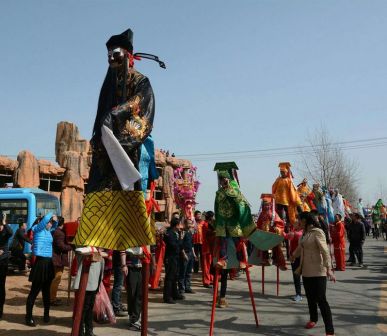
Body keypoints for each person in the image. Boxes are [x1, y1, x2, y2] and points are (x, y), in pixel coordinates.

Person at [292, 211, 335, 336]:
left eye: (299, 220)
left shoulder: (317, 232)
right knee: (310, 298)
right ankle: (313, 319)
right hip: (306, 270)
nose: (297, 222)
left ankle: (330, 330)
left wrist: (329, 269)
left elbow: (325, 251)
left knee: (321, 300)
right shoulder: (305, 233)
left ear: (305, 221)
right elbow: (301, 247)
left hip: (318, 271)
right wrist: (293, 255)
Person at [25, 213, 58, 327]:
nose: (50, 224)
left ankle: (46, 315)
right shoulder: (37, 229)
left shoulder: (49, 231)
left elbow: (55, 226)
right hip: (40, 263)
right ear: (42, 222)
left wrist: (55, 220)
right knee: (34, 292)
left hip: (48, 263)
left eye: (51, 222)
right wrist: (50, 215)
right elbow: (44, 221)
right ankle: (28, 317)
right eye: (49, 222)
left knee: (46, 292)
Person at [73, 249, 105, 336]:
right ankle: (80, 331)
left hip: (94, 282)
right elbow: (78, 251)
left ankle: (89, 330)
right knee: (83, 309)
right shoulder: (85, 248)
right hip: (86, 283)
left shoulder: (98, 249)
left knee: (90, 308)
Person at [50, 216, 73, 305]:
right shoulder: (59, 233)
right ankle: (52, 299)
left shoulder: (56, 232)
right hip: (57, 259)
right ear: (62, 224)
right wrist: (71, 246)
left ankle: (52, 297)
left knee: (55, 279)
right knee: (56, 279)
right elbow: (61, 246)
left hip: (56, 258)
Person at [121, 246, 144, 331]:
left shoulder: (142, 238)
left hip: (141, 267)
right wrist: (124, 265)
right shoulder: (129, 237)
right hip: (131, 268)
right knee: (132, 294)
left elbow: (146, 252)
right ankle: (133, 318)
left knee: (139, 295)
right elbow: (122, 251)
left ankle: (135, 319)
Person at [163, 217, 183, 303]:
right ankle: (167, 297)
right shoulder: (169, 233)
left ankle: (175, 293)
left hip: (176, 258)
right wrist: (180, 240)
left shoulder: (176, 233)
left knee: (175, 277)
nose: (180, 226)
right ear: (176, 225)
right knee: (170, 278)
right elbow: (174, 246)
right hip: (170, 258)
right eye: (179, 224)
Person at [284, 219, 303, 302]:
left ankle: (298, 294)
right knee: (301, 276)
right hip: (298, 256)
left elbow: (285, 236)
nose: (293, 224)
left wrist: (279, 230)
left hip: (296, 257)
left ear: (299, 224)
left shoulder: (296, 233)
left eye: (295, 223)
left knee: (296, 276)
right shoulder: (299, 231)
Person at [178, 219, 197, 294]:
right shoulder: (183, 233)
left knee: (189, 272)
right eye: (188, 223)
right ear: (185, 224)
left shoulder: (190, 233)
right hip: (185, 253)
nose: (190, 225)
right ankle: (181, 288)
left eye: (191, 223)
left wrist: (194, 254)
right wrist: (184, 254)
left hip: (190, 254)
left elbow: (192, 245)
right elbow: (181, 245)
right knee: (183, 272)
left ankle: (187, 287)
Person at [0, 212, 13, 319]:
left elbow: (10, 232)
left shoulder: (5, 230)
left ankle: (0, 310)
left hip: (3, 261)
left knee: (1, 286)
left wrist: (4, 223)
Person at [201, 211, 215, 288]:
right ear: (210, 217)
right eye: (213, 216)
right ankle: (206, 281)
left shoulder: (209, 224)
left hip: (211, 247)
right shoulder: (205, 225)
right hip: (206, 247)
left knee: (210, 264)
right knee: (206, 265)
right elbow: (209, 235)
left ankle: (211, 279)